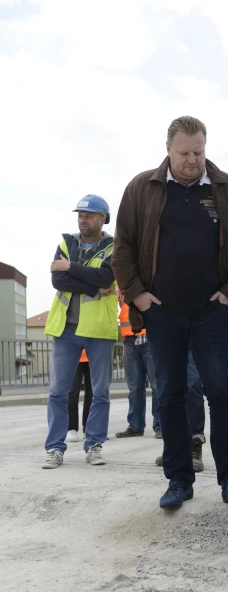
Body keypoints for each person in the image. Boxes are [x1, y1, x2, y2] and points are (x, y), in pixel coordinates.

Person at [112, 115, 228, 509]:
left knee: (222, 392)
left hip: (211, 313)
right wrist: (138, 295)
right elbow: (122, 248)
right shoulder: (143, 188)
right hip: (162, 314)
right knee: (170, 396)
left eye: (199, 152)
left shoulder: (225, 189)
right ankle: (179, 479)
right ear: (168, 150)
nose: (193, 160)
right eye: (184, 153)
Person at [43, 194, 117, 468]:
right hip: (66, 329)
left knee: (101, 392)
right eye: (80, 215)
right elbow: (57, 279)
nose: (82, 219)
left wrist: (72, 267)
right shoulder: (67, 242)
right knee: (57, 392)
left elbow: (107, 276)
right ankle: (54, 448)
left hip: (99, 329)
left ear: (102, 219)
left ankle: (94, 446)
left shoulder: (113, 246)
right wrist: (92, 286)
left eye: (88, 215)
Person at [115, 295, 161, 439]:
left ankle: (160, 425)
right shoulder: (120, 282)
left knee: (157, 385)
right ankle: (135, 426)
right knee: (134, 387)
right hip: (129, 339)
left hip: (150, 336)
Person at [155, 351, 206, 472]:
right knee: (168, 387)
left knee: (193, 384)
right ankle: (173, 447)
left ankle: (195, 443)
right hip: (168, 334)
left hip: (194, 336)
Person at [66, 349, 91, 442]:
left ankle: (89, 427)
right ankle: (71, 428)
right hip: (74, 354)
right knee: (73, 392)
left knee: (92, 393)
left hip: (93, 354)